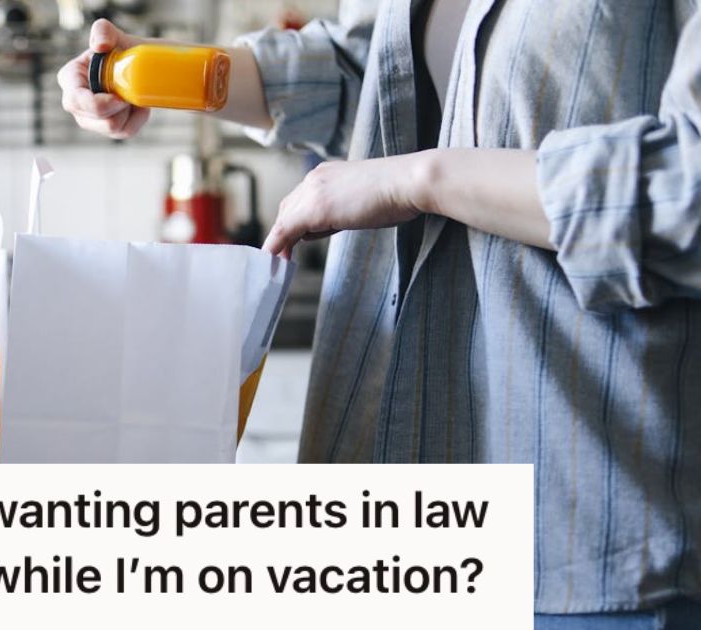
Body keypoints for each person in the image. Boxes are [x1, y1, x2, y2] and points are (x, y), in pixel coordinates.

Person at [59, 0, 701, 627]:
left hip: (586, 530)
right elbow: (374, 76)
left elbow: (687, 188)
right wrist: (164, 71)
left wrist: (417, 181)